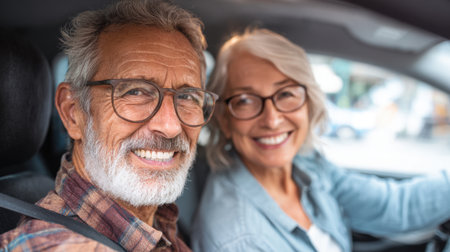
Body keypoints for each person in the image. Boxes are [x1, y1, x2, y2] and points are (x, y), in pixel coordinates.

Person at [191, 28, 450, 252]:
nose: (272, 119)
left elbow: (395, 207)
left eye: (286, 93)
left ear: (308, 102)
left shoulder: (306, 163)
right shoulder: (239, 240)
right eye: (245, 100)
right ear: (224, 119)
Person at [0, 0, 218, 251]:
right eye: (136, 91)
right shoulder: (49, 245)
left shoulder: (157, 225)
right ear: (73, 113)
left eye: (187, 96)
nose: (170, 126)